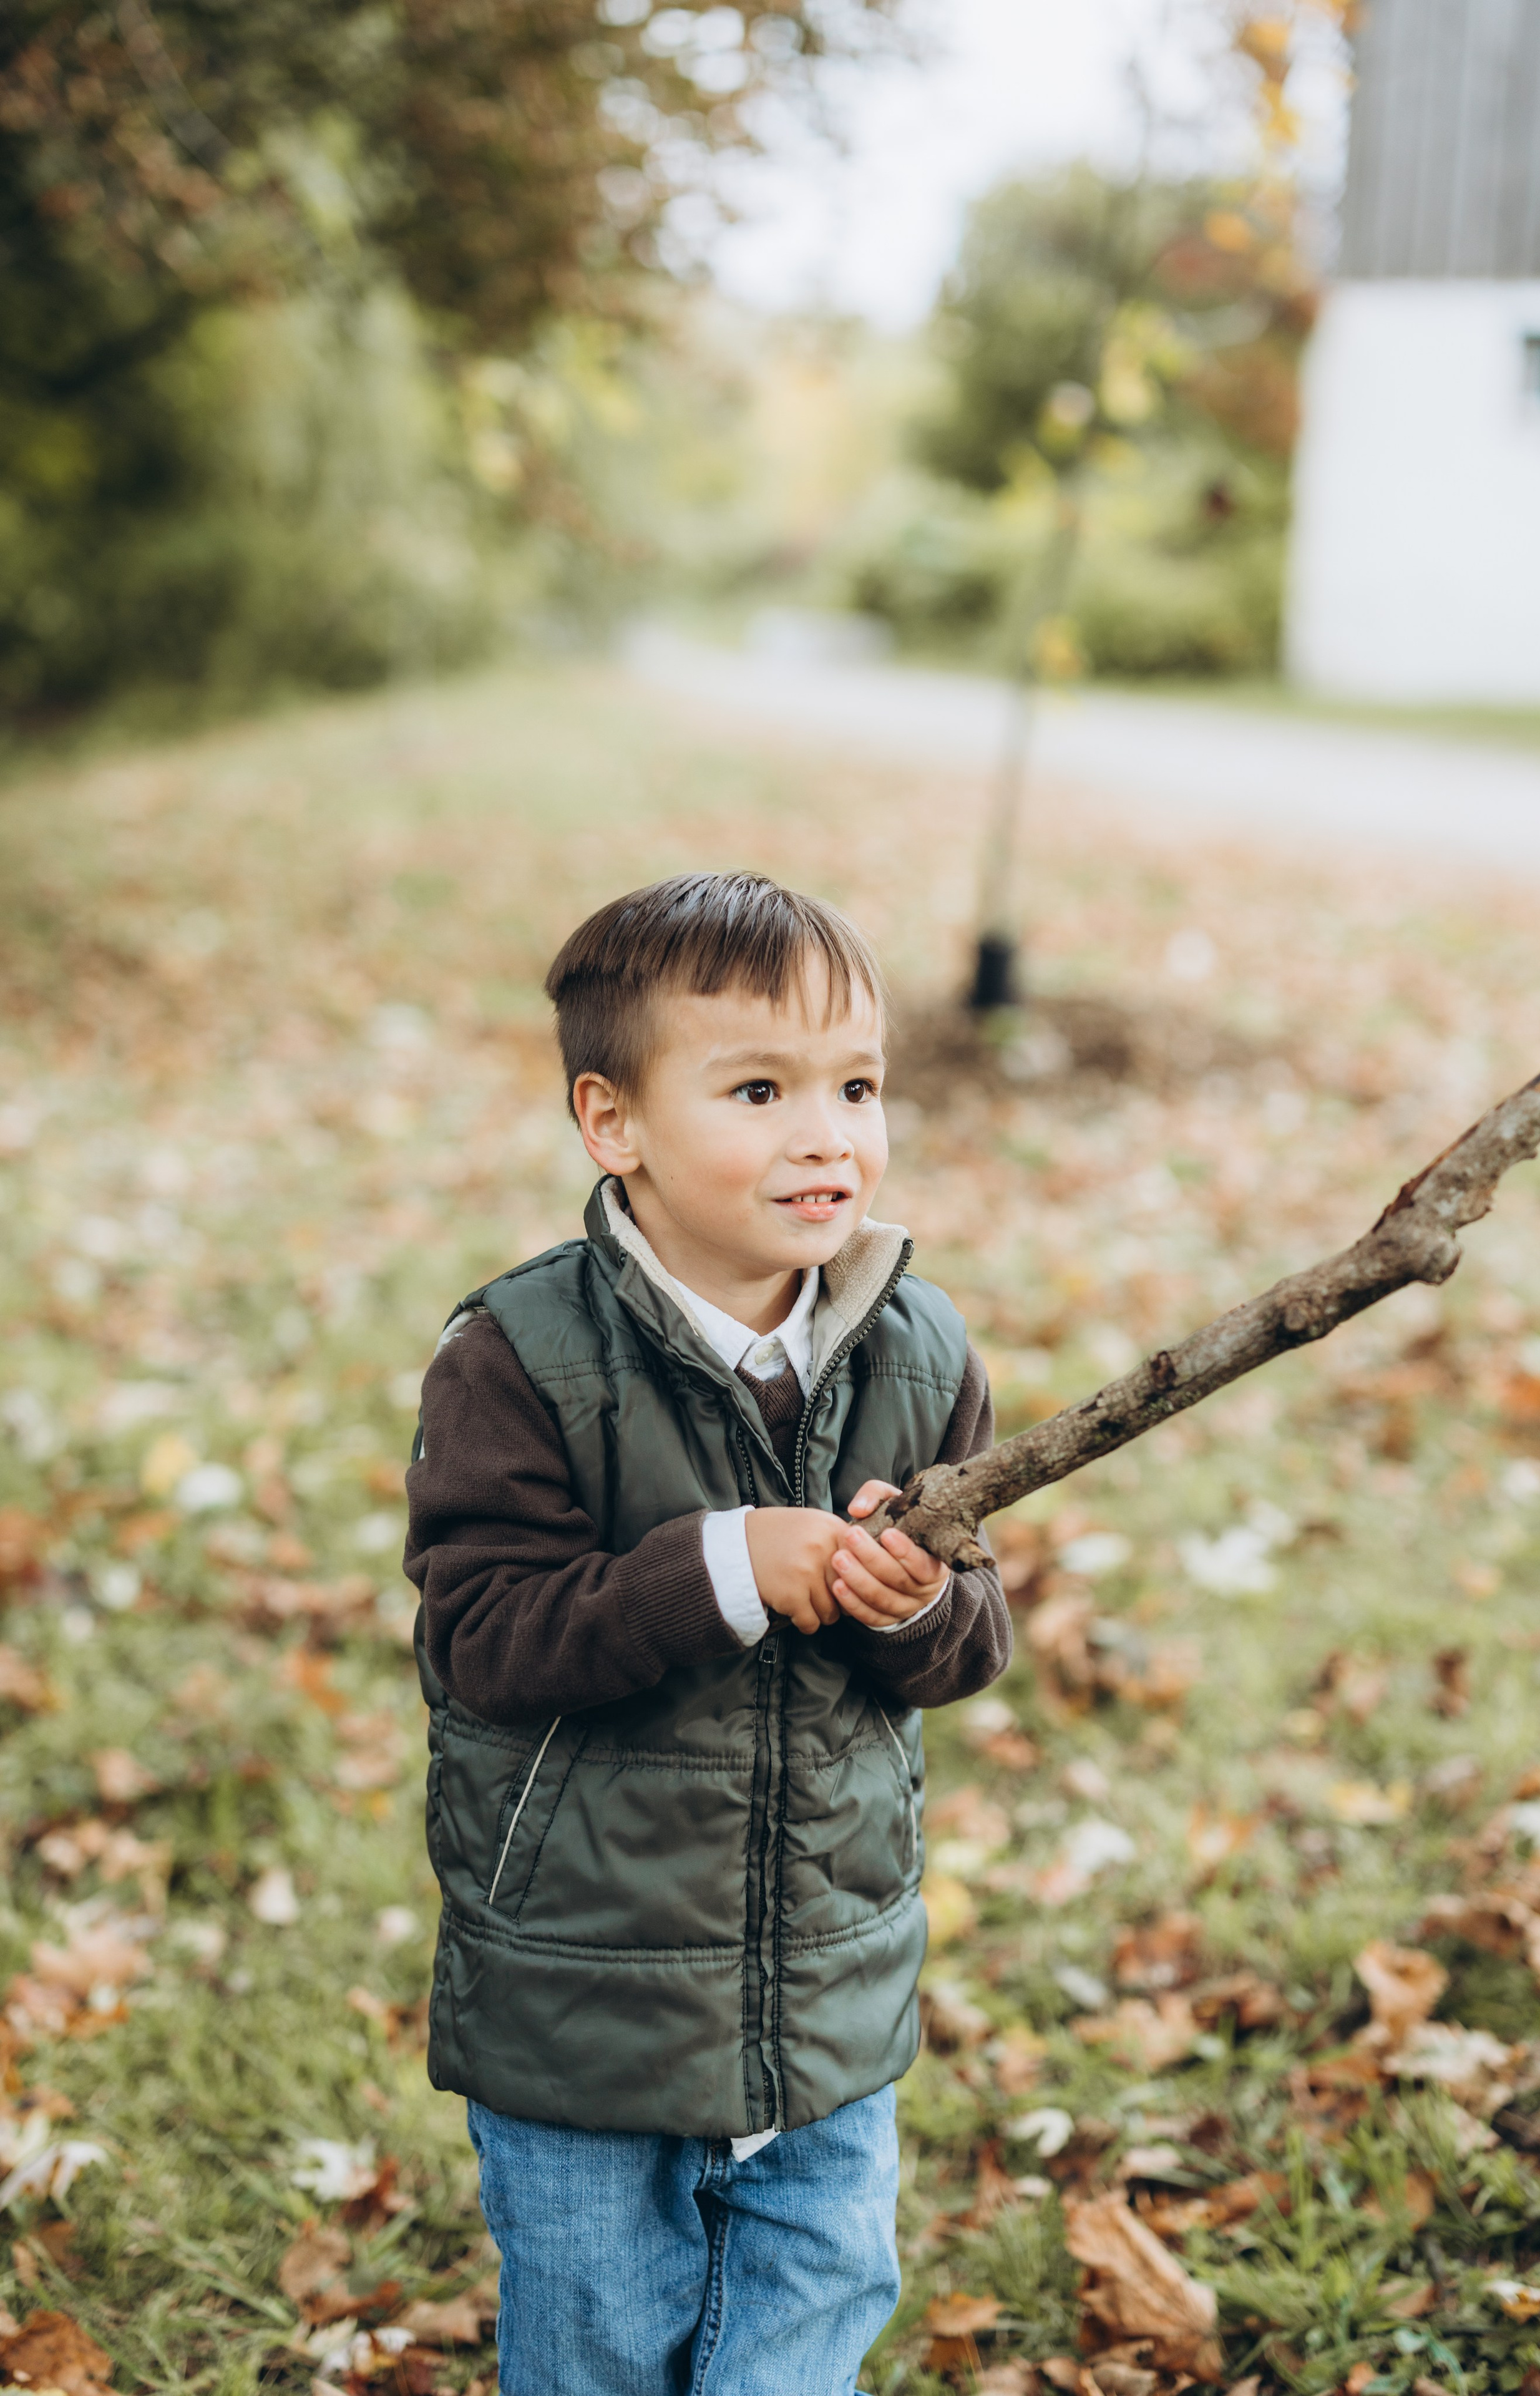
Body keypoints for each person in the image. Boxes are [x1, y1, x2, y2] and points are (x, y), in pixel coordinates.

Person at [403, 869, 1011, 2396]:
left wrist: (917, 1603)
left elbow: (975, 1640)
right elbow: (483, 1638)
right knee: (603, 2326)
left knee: (814, 2294)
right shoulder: (519, 1356)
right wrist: (723, 1567)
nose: (828, 1135)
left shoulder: (917, 1349)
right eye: (758, 1088)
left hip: (825, 1978)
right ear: (612, 1124)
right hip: (585, 1994)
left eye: (857, 1085)